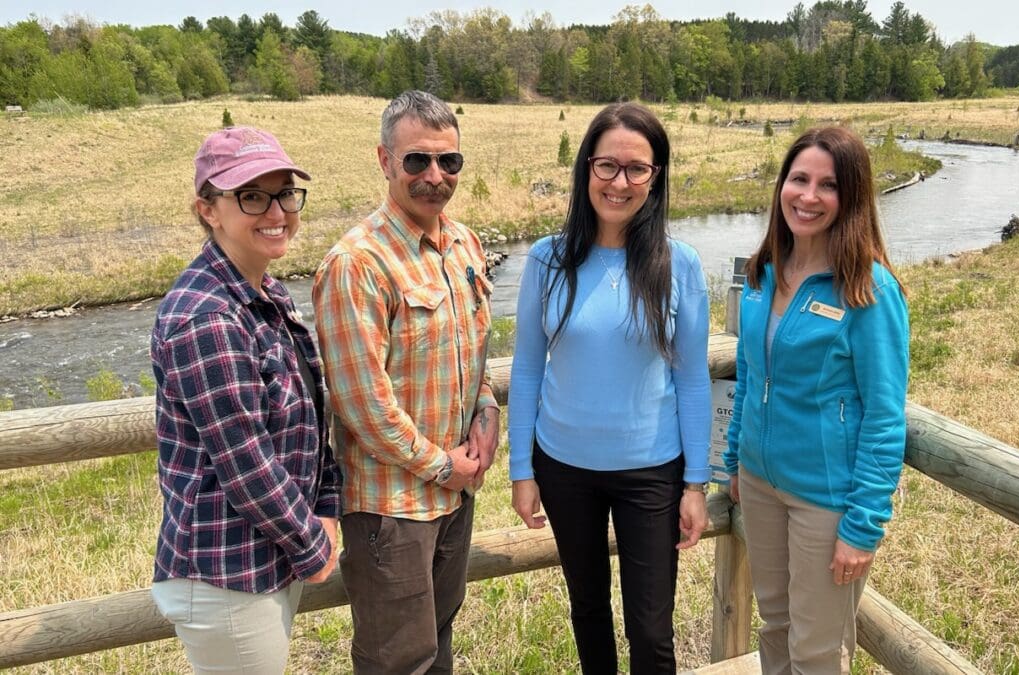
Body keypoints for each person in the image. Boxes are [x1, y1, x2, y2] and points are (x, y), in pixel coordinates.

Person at [508, 102, 711, 675]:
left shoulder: (680, 264)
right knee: (588, 609)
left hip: (652, 470)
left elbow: (693, 378)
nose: (619, 183)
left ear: (655, 177)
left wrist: (696, 482)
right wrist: (521, 470)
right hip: (563, 467)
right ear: (586, 169)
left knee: (652, 628)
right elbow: (526, 368)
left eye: (636, 168)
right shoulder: (548, 259)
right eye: (607, 166)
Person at [312, 90, 498, 674]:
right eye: (418, 160)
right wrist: (444, 465)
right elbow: (362, 404)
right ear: (385, 160)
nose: (435, 176)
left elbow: (474, 353)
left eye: (449, 161)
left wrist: (487, 417)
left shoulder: (464, 244)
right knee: (398, 661)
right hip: (391, 510)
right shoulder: (356, 263)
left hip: (454, 494)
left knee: (436, 647)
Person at [149, 126, 342, 673]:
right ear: (208, 210)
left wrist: (326, 507)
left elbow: (310, 413)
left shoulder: (267, 294)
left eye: (284, 193)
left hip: (265, 560)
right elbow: (246, 461)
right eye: (252, 196)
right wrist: (312, 542)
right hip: (227, 573)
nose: (276, 211)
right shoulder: (207, 316)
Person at [722, 126, 910, 674]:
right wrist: (735, 460)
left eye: (828, 185)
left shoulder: (868, 289)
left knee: (817, 650)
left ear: (851, 198)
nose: (808, 196)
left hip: (825, 500)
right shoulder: (763, 272)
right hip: (759, 483)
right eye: (799, 179)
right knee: (775, 625)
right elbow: (749, 375)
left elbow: (884, 416)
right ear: (781, 184)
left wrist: (863, 524)